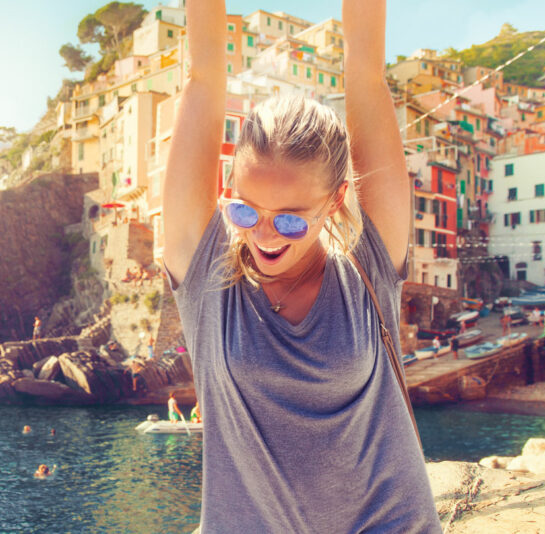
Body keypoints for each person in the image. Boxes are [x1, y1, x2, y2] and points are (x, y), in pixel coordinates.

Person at [159, 0, 439, 531]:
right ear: (228, 191)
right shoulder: (206, 281)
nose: (263, 233)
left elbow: (366, 71)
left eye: (290, 220)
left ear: (334, 203)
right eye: (245, 209)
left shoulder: (369, 268)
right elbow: (203, 76)